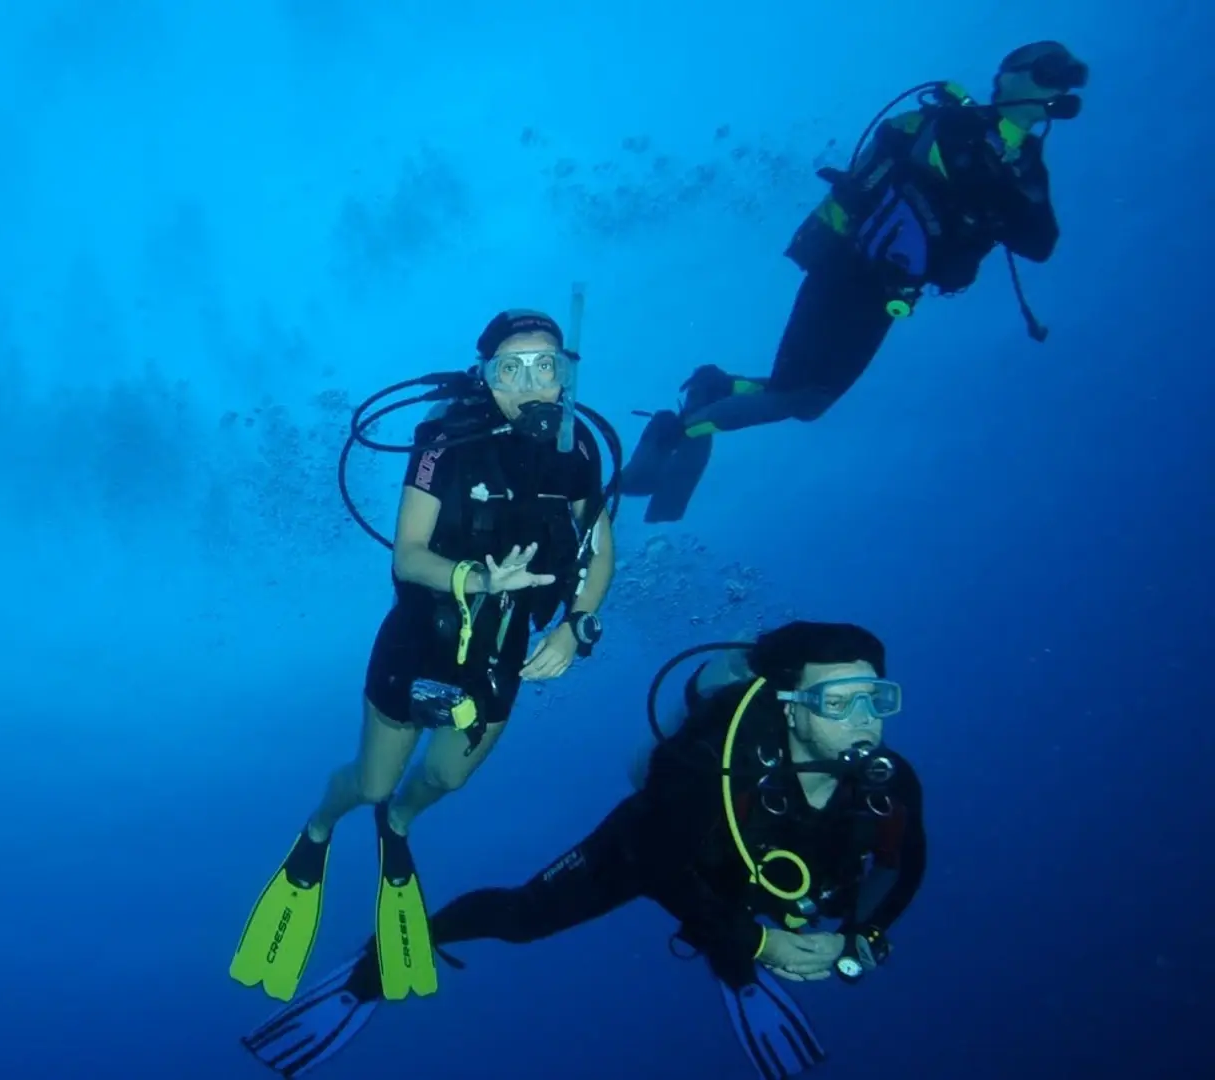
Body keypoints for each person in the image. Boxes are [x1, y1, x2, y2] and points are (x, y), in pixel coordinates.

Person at [242, 620, 927, 1080]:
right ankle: (371, 969)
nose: (865, 718)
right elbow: (662, 868)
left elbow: (902, 865)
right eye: (840, 700)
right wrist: (758, 945)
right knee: (521, 919)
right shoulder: (702, 758)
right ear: (788, 704)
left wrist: (862, 937)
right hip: (648, 848)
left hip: (756, 882)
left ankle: (736, 954)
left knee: (766, 905)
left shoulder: (886, 784)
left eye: (877, 698)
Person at [229, 308, 617, 1008]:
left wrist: (577, 626)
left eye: (547, 366)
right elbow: (409, 555)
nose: (531, 382)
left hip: (502, 654)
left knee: (443, 779)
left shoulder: (578, 448)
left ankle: (399, 828)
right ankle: (321, 827)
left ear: (566, 375)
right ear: (486, 376)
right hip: (420, 641)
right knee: (373, 784)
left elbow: (599, 544)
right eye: (512, 368)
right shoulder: (446, 442)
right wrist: (478, 579)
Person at [622, 41, 1089, 522]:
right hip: (848, 269)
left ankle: (714, 388)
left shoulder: (1025, 162)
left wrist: (1013, 176)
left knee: (806, 399)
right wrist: (1003, 176)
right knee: (794, 397)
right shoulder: (957, 126)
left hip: (889, 291)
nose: (1058, 83)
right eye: (1048, 70)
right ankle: (675, 432)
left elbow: (1040, 243)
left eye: (1067, 76)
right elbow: (946, 173)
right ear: (1008, 75)